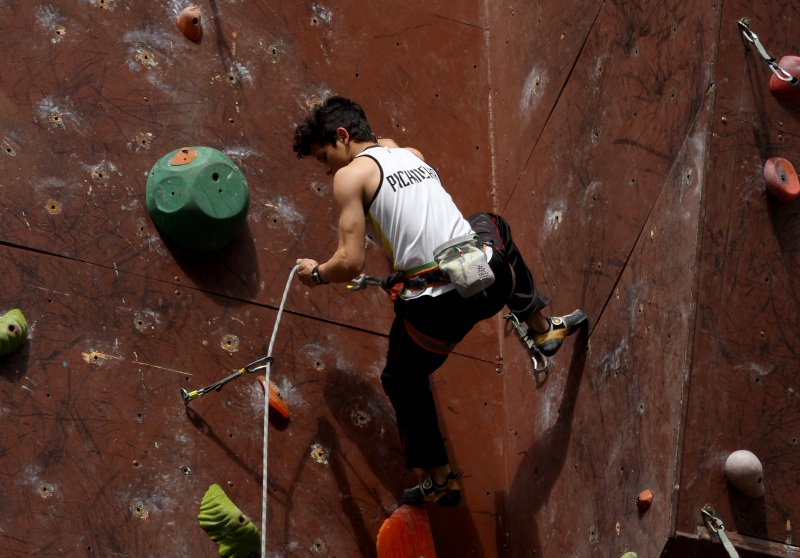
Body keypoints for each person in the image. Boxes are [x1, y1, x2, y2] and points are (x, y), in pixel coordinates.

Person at [293, 96, 586, 507]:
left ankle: (441, 480)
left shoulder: (350, 178)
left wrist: (317, 273)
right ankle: (540, 328)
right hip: (492, 275)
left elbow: (350, 261)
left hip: (443, 308)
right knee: (492, 223)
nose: (328, 170)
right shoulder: (407, 152)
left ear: (342, 136)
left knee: (401, 381)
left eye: (325, 157)